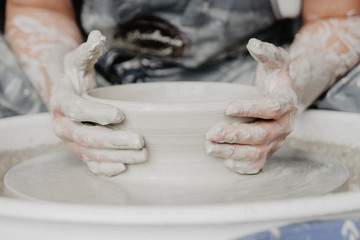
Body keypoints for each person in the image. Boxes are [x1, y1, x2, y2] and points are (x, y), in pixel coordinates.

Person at [4, 0, 360, 176]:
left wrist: (290, 86)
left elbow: (336, 16)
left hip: (252, 77)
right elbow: (38, 8)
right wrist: (62, 87)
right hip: (104, 78)